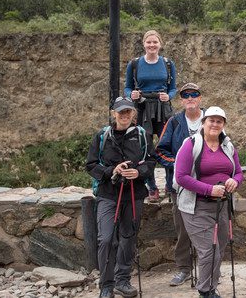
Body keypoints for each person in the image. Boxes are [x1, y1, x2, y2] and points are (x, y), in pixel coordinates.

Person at [86, 97, 155, 298]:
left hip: (134, 193)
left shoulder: (142, 135)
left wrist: (139, 172)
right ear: (113, 114)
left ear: (133, 113)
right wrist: (111, 170)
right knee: (106, 239)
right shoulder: (102, 136)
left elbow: (150, 161)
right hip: (108, 194)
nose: (124, 115)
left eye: (128, 111)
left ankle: (122, 280)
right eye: (120, 112)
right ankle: (106, 285)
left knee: (128, 237)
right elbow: (90, 165)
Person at [175, 106, 243, 298]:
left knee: (218, 250)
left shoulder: (228, 146)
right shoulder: (191, 144)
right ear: (203, 123)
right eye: (211, 120)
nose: (214, 124)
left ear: (223, 125)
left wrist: (234, 181)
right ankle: (205, 291)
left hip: (221, 206)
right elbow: (181, 177)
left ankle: (211, 287)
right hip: (196, 206)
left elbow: (238, 172)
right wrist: (209, 189)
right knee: (207, 251)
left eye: (219, 121)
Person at [155, 82, 204, 287]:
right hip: (180, 186)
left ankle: (207, 269)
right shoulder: (174, 122)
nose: (190, 98)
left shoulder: (210, 119)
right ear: (181, 100)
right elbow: (159, 151)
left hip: (206, 185)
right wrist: (178, 165)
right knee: (182, 229)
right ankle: (184, 269)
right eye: (186, 95)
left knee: (206, 231)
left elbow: (224, 145)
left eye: (194, 94)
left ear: (200, 98)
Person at [124, 29, 178, 203]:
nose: (152, 45)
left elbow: (173, 88)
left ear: (160, 44)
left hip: (163, 109)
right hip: (142, 109)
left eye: (155, 42)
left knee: (167, 147)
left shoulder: (168, 64)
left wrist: (168, 96)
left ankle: (170, 186)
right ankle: (152, 188)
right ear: (144, 44)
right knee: (145, 149)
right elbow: (127, 87)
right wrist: (131, 95)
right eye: (149, 42)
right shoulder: (134, 64)